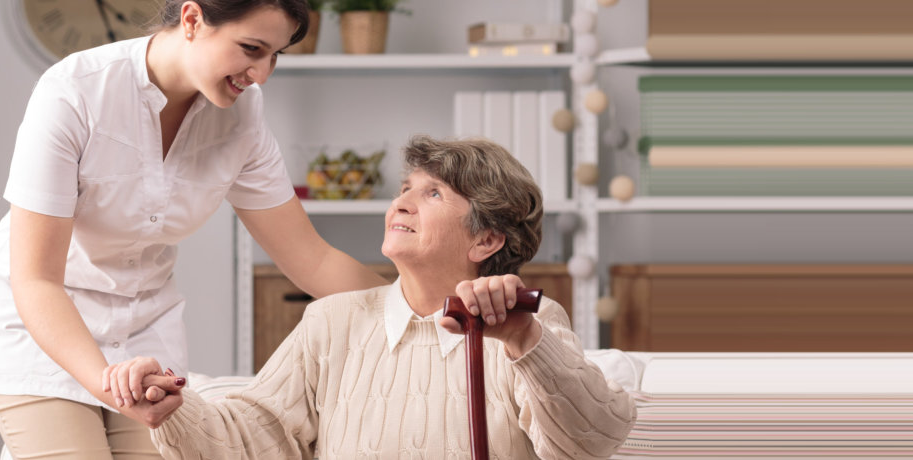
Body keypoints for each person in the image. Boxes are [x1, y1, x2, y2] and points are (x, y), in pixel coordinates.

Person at [0, 0, 389, 458]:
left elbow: (311, 260)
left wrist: (430, 304)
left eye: (276, 55)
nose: (260, 75)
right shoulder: (75, 92)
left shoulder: (242, 118)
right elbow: (37, 281)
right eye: (251, 49)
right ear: (191, 20)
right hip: (43, 328)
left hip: (145, 332)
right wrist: (109, 385)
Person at [140, 136, 637, 459]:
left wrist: (524, 340)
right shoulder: (332, 323)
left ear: (485, 240)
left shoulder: (530, 323)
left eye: (434, 194)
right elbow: (254, 434)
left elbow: (589, 441)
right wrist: (175, 410)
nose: (400, 202)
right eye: (405, 188)